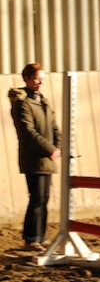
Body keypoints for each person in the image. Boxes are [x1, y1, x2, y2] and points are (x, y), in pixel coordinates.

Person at [9, 63, 61, 252]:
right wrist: (50, 149)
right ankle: (31, 238)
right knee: (37, 198)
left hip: (47, 157)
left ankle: (40, 236)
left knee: (43, 198)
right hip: (34, 159)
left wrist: (58, 146)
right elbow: (28, 132)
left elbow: (54, 127)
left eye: (42, 78)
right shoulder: (22, 104)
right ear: (26, 79)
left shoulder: (42, 101)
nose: (40, 82)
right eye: (36, 78)